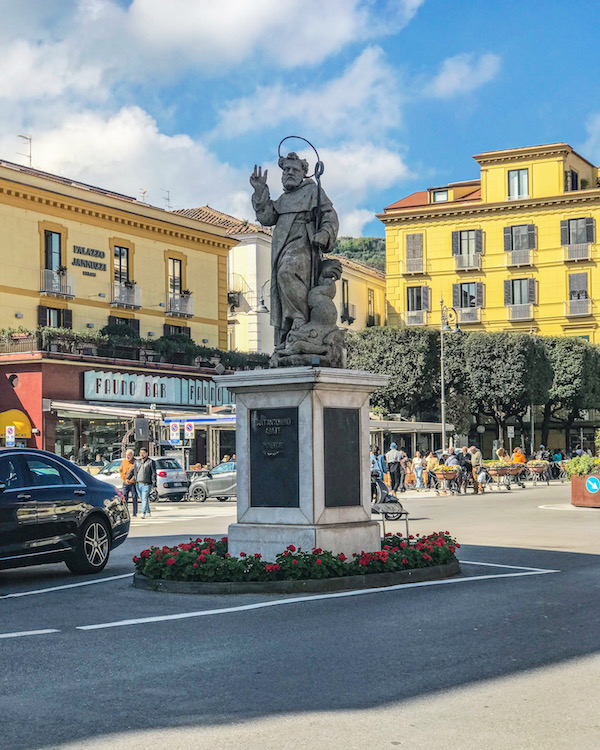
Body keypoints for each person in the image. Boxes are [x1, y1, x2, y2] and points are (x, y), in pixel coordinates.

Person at [250, 152, 339, 348]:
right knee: (283, 285)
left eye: (294, 169)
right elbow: (266, 218)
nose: (289, 172)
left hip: (304, 246)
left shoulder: (313, 192)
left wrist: (324, 233)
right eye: (286, 169)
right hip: (281, 248)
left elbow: (329, 215)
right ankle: (291, 326)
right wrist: (260, 191)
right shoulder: (283, 199)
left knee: (286, 273)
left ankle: (299, 318)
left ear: (303, 173)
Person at [127, 448, 157, 519]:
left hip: (147, 484)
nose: (141, 454)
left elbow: (153, 474)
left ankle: (143, 513)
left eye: (143, 453)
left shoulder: (150, 462)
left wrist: (154, 484)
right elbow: (132, 470)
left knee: (144, 498)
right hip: (138, 483)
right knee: (143, 498)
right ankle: (148, 511)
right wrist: (128, 477)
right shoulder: (137, 462)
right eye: (140, 453)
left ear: (146, 453)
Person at [119, 449, 138, 517]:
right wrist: (125, 479)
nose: (127, 456)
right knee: (124, 497)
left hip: (133, 483)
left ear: (132, 455)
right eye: (126, 455)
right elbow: (121, 471)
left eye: (129, 455)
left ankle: (135, 512)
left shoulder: (136, 462)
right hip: (125, 482)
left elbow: (136, 473)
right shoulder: (124, 461)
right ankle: (125, 513)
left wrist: (130, 480)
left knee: (134, 497)